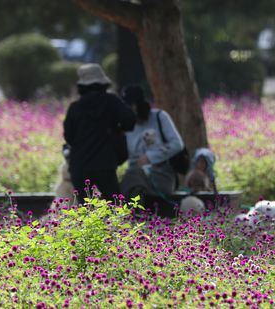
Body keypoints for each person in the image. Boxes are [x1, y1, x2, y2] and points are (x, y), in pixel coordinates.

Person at [63, 64, 136, 203]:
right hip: (105, 164)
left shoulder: (75, 108)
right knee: (115, 206)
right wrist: (115, 129)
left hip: (80, 166)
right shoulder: (111, 102)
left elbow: (69, 137)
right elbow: (130, 121)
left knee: (85, 210)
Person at [119, 85, 184, 214]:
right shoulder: (125, 126)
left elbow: (177, 144)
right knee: (133, 185)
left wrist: (150, 157)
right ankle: (134, 220)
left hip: (161, 173)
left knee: (131, 180)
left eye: (132, 106)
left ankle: (131, 219)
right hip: (135, 174)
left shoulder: (160, 117)